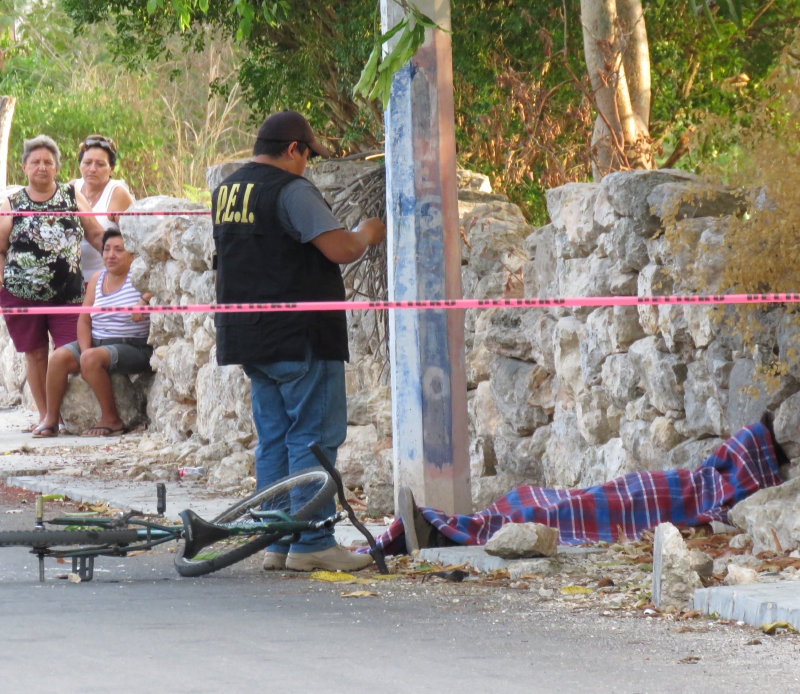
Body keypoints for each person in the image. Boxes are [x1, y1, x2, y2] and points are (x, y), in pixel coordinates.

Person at [212, 110, 386, 572]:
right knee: (314, 439)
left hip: (249, 337)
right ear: (293, 149)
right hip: (300, 335)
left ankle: (277, 542)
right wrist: (368, 232)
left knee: (273, 440)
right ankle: (313, 543)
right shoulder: (291, 189)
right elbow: (341, 248)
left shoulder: (228, 190)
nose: (307, 164)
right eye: (307, 155)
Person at [0, 135, 104, 433]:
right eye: (35, 162)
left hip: (68, 294)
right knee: (34, 354)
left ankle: (65, 415)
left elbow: (95, 233)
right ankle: (47, 419)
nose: (42, 167)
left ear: (57, 168)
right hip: (21, 295)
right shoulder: (12, 204)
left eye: (48, 162)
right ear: (24, 167)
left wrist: (119, 263)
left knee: (71, 353)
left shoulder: (72, 197)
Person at [35, 228, 153, 438]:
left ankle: (112, 419)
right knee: (59, 358)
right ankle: (51, 420)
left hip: (133, 346)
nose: (111, 255)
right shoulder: (98, 278)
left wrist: (143, 300)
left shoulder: (138, 277)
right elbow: (84, 319)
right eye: (106, 249)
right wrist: (84, 350)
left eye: (118, 250)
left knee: (90, 358)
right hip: (98, 343)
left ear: (132, 255)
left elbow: (161, 284)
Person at [73, 134, 134, 284]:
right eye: (87, 163)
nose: (92, 169)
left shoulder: (118, 194)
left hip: (105, 281)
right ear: (80, 165)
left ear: (111, 169)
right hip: (72, 280)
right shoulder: (72, 188)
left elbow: (133, 241)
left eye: (100, 164)